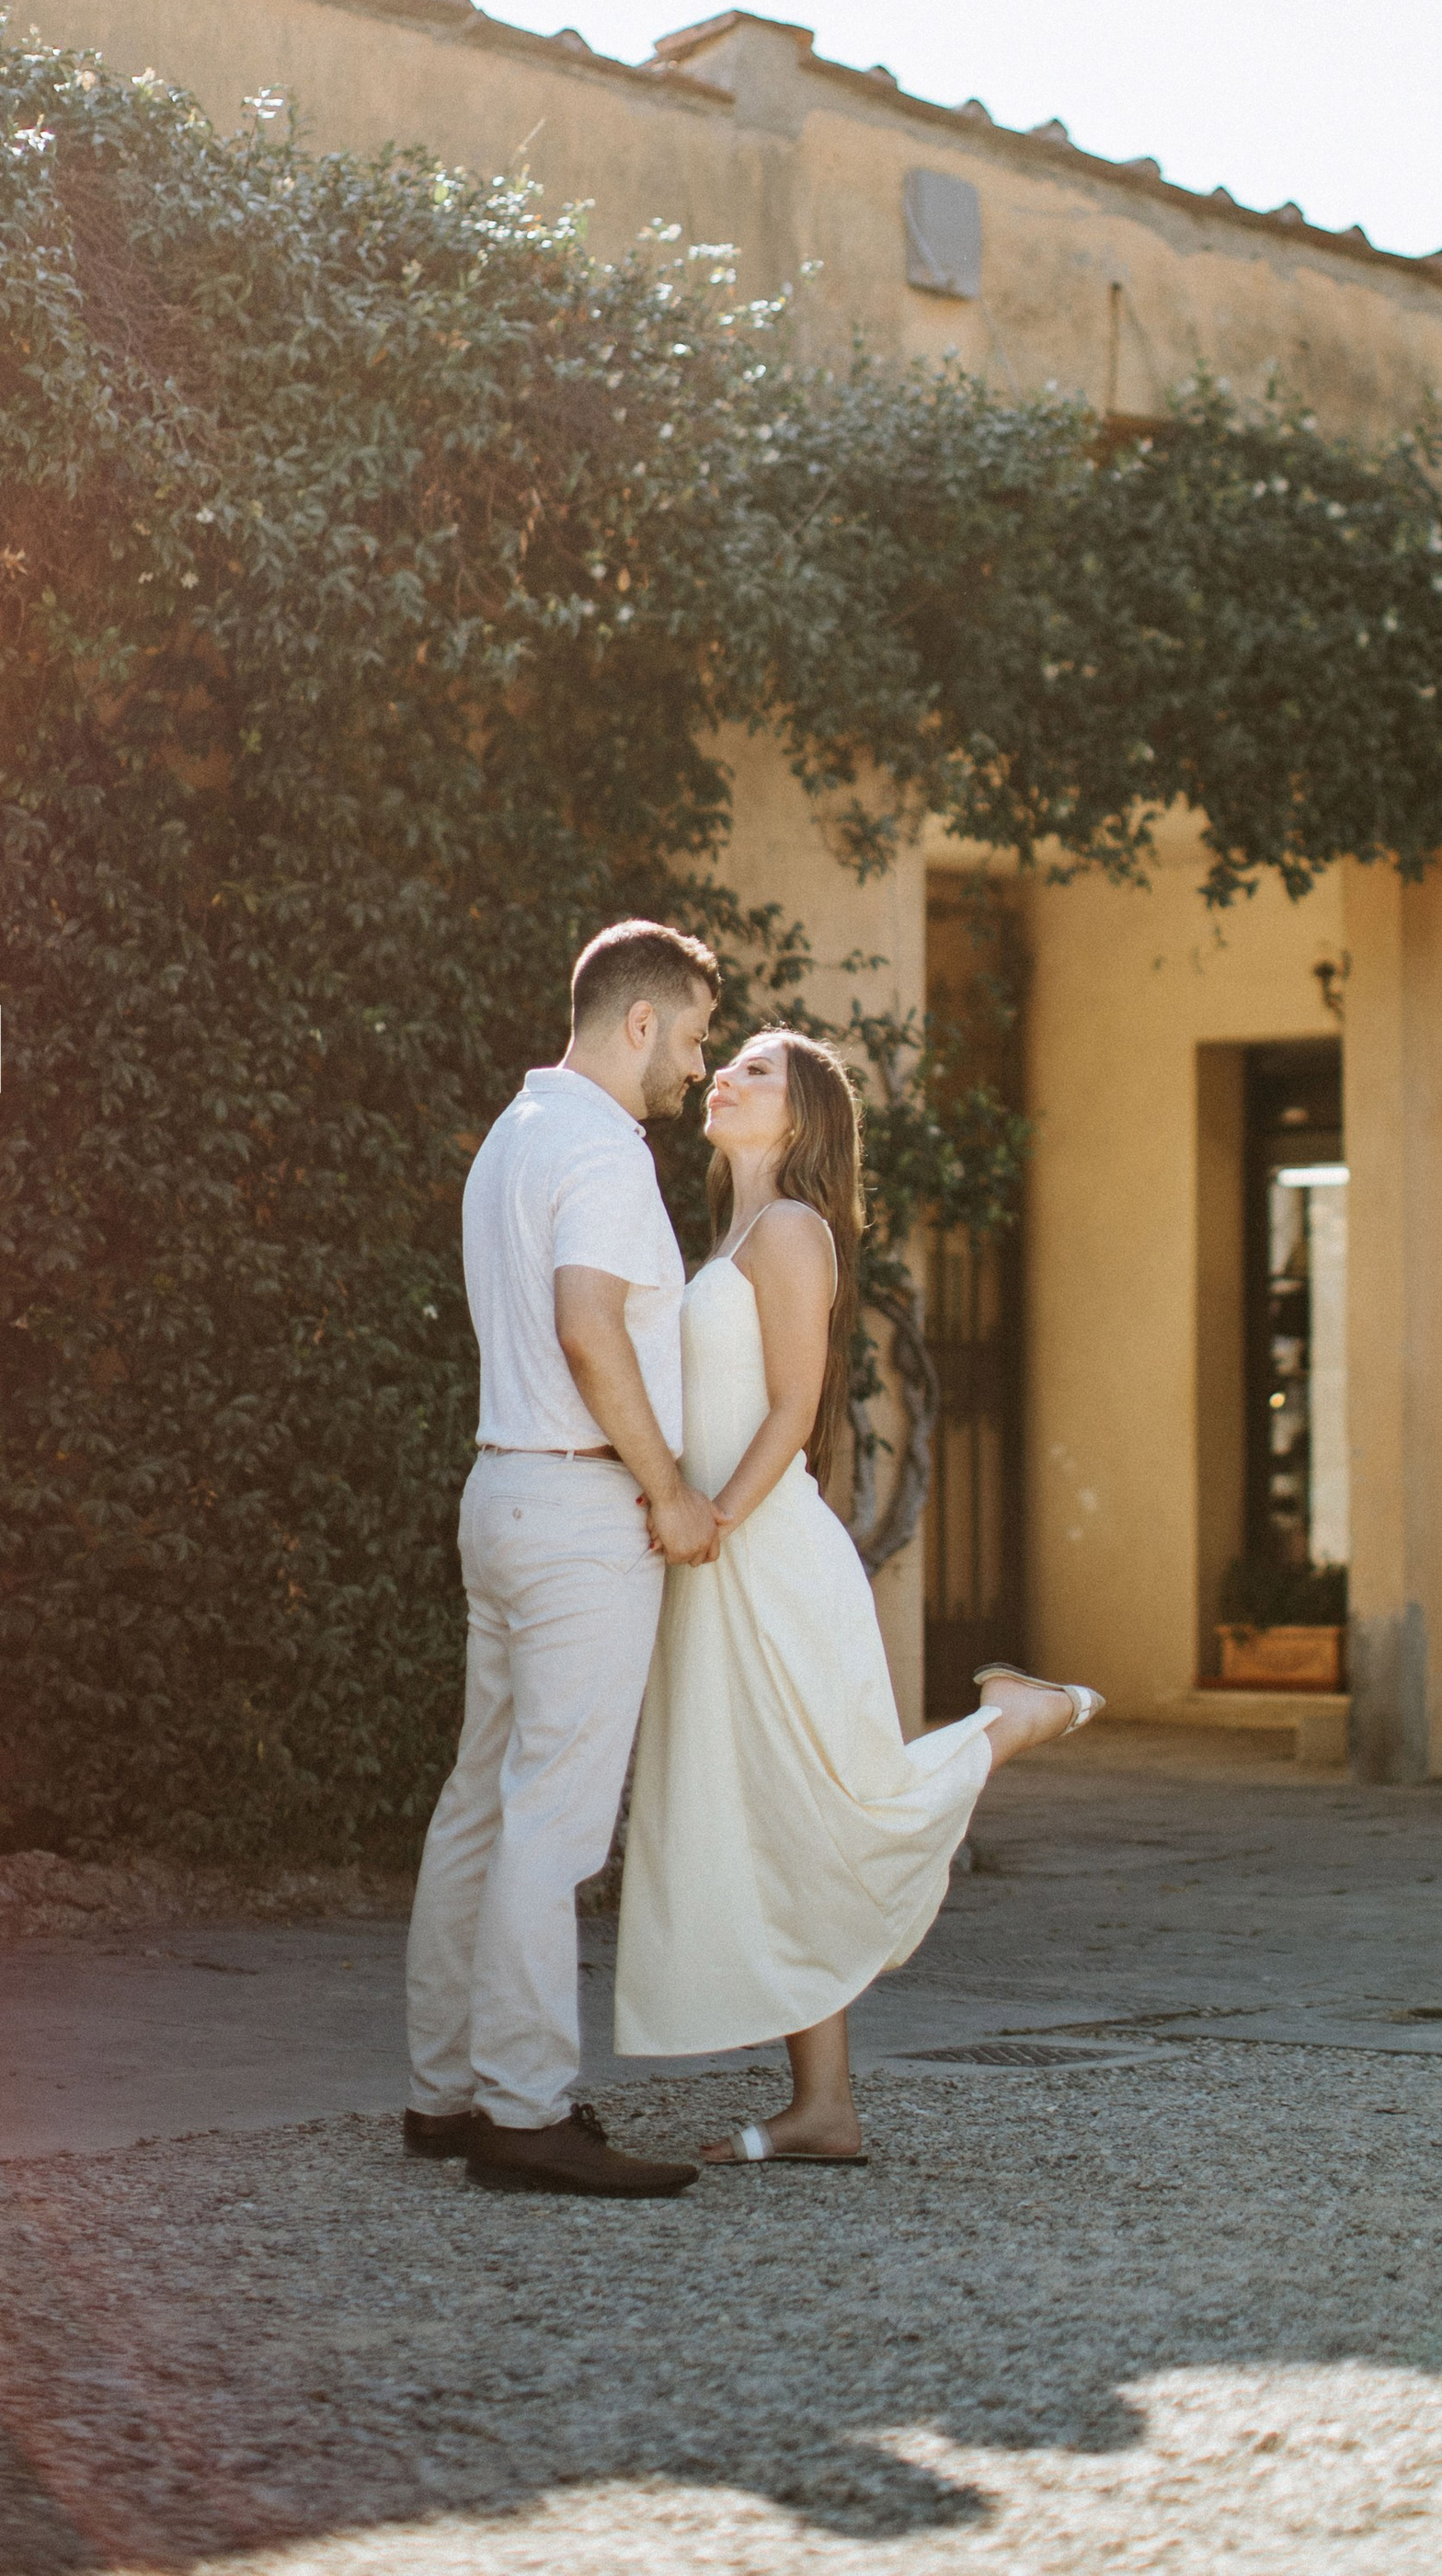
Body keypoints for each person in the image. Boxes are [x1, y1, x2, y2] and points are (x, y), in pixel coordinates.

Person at [614, 1025, 1100, 2168]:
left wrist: (713, 1520)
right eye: (723, 1063)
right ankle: (822, 2108)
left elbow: (793, 1409)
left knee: (835, 1803)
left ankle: (1008, 1724)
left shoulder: (789, 1232)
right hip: (720, 1557)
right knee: (772, 1813)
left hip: (761, 1552)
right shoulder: (731, 1230)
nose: (723, 1077)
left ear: (805, 1117)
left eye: (757, 1071)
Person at [403, 918, 724, 2200]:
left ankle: (445, 2093)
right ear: (638, 1022)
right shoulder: (597, 1149)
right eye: (695, 1038)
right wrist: (673, 1492)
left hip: (502, 1491)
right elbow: (592, 1332)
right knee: (552, 1817)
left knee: (482, 1801)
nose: (699, 1068)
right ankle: (526, 2114)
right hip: (585, 1513)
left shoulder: (514, 1134)